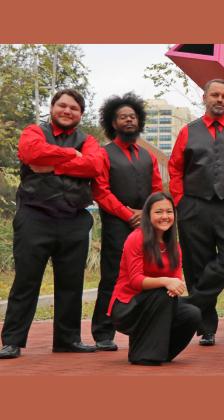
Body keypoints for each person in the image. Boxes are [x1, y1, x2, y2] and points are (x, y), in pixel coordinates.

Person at [1, 89, 102, 359]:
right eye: (63, 106)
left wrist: (54, 164)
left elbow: (95, 166)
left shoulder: (88, 140)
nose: (67, 111)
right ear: (52, 107)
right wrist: (73, 157)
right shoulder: (34, 131)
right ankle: (12, 340)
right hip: (35, 217)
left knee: (71, 283)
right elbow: (30, 152)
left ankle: (67, 340)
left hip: (73, 220)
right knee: (26, 281)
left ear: (81, 114)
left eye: (74, 108)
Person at [168, 79, 224, 346]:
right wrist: (180, 200)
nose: (220, 100)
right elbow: (175, 168)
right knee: (197, 266)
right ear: (204, 98)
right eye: (215, 95)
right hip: (194, 205)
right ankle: (206, 327)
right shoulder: (188, 131)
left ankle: (191, 303)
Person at [90, 93, 163, 352]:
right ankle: (102, 332)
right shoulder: (103, 154)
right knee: (111, 277)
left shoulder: (148, 156)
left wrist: (145, 216)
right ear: (113, 123)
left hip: (146, 225)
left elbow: (156, 189)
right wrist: (127, 214)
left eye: (132, 116)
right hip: (117, 224)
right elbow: (101, 191)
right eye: (123, 117)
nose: (129, 120)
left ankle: (143, 328)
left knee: (146, 275)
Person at [108, 192, 201, 366]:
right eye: (158, 212)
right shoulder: (136, 238)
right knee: (161, 294)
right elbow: (136, 281)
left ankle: (161, 352)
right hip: (127, 306)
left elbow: (176, 281)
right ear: (148, 215)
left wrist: (174, 285)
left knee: (192, 313)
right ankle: (143, 355)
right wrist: (166, 282)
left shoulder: (174, 246)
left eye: (169, 211)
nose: (165, 216)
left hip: (159, 304)